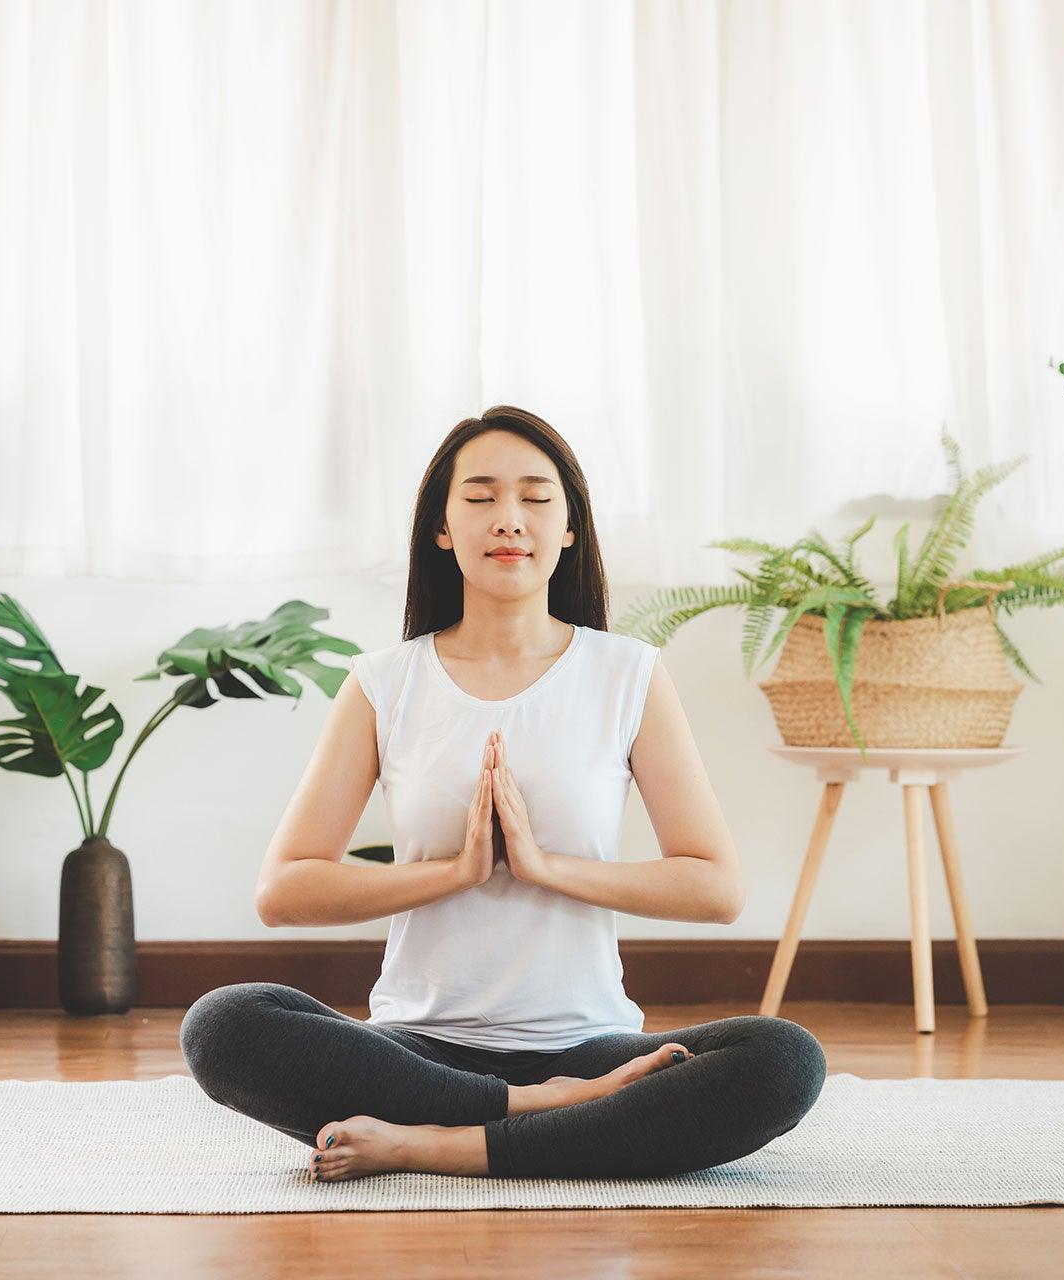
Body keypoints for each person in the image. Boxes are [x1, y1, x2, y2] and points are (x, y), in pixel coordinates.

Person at [181, 405, 826, 1181]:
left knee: (783, 1060)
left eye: (535, 498)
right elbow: (284, 890)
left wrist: (544, 866)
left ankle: (436, 1144)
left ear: (569, 529)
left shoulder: (628, 675)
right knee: (223, 1024)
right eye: (481, 498)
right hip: (418, 1048)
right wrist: (454, 872)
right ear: (443, 529)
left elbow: (715, 888)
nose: (508, 520)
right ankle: (540, 1115)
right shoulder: (384, 683)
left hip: (587, 1045)